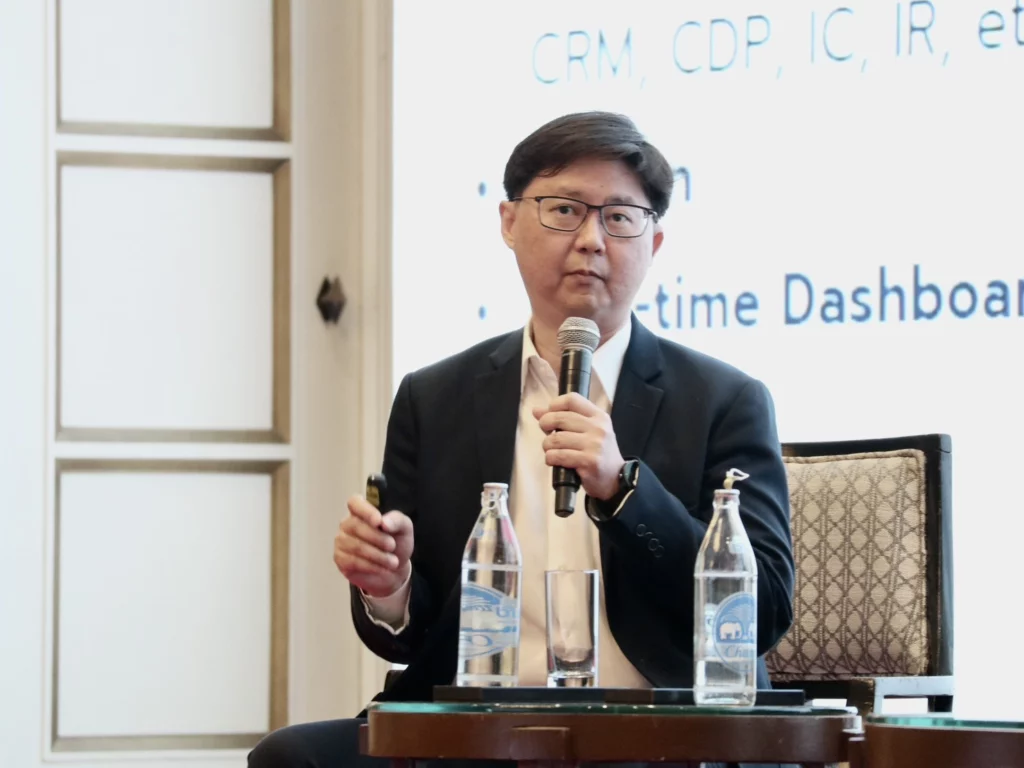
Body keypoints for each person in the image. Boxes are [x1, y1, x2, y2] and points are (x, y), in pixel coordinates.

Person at [249, 112, 796, 768]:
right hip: (478, 734)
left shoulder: (724, 400)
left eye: (620, 217)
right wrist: (389, 588)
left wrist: (624, 489)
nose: (592, 239)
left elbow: (763, 614)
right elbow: (410, 640)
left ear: (654, 243)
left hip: (660, 734)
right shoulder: (435, 397)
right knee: (293, 757)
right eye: (564, 210)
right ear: (509, 222)